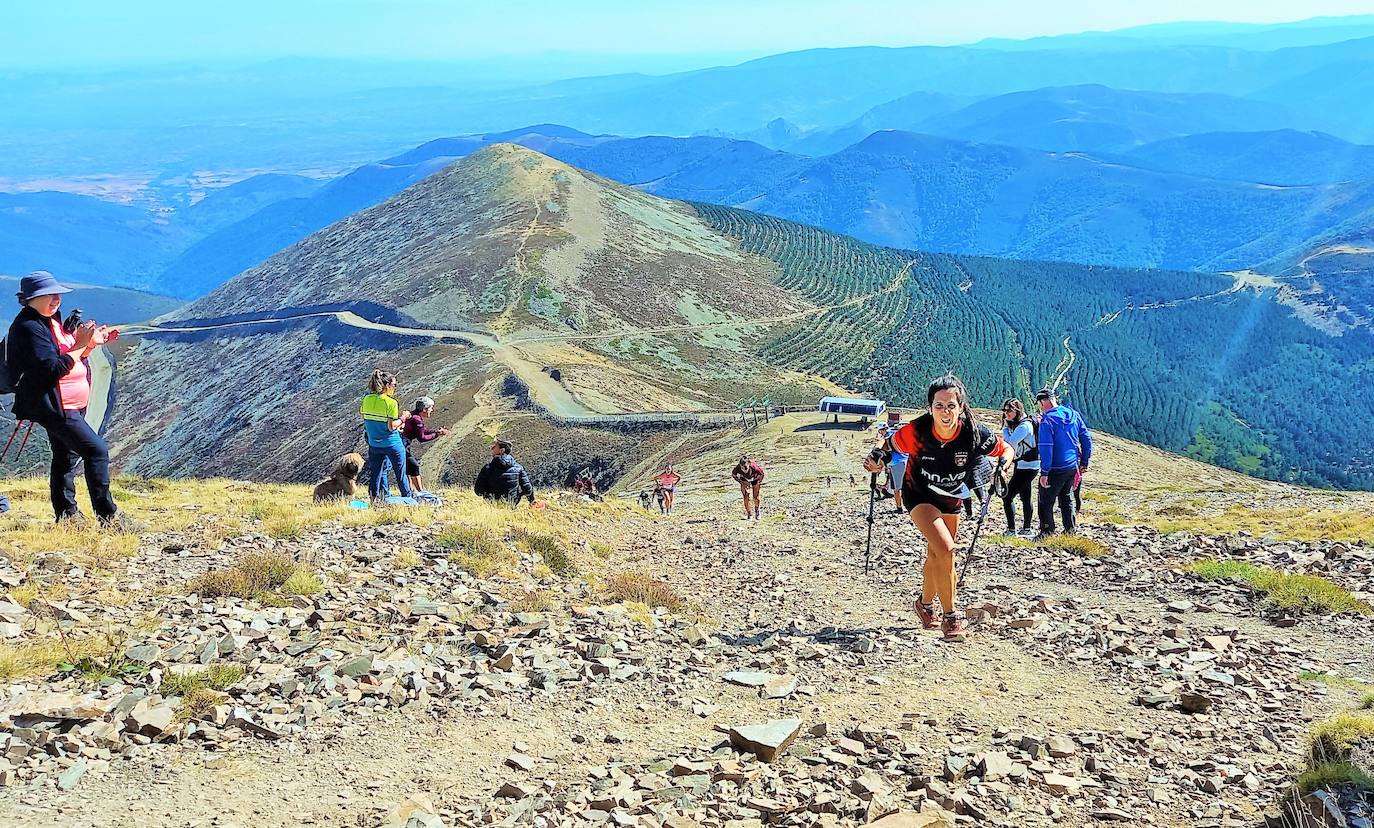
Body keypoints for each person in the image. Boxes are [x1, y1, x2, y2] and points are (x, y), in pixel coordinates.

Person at [863, 375, 1009, 642]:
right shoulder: (917, 431)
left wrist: (1005, 464)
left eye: (951, 405)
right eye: (939, 406)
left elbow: (1005, 449)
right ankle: (951, 616)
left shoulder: (974, 433)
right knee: (946, 548)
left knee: (937, 554)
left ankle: (925, 604)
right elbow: (887, 448)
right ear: (930, 407)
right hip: (919, 494)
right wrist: (876, 460)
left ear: (961, 407)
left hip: (952, 497)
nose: (945, 411)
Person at [5, 272, 138, 528]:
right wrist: (81, 343)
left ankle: (67, 515)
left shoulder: (49, 320)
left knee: (65, 456)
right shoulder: (29, 328)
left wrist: (91, 344)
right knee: (95, 450)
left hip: (68, 403)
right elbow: (51, 369)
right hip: (54, 406)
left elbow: (72, 357)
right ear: (31, 298)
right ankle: (109, 517)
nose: (56, 299)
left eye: (57, 295)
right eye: (49, 295)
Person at [1035, 388, 1093, 536]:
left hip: (1055, 467)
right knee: (1066, 498)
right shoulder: (1073, 414)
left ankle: (1047, 531)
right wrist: (1084, 462)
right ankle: (1070, 530)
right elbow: (1086, 438)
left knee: (1045, 500)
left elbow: (1046, 447)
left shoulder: (1047, 421)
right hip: (1071, 466)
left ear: (1042, 402)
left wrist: (1045, 472)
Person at [360, 369, 413, 503]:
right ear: (387, 386)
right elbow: (391, 426)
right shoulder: (391, 403)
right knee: (400, 473)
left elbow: (370, 419)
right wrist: (403, 418)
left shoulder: (367, 399)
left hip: (374, 443)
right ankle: (408, 500)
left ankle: (377, 500)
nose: (395, 388)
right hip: (391, 443)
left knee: (377, 473)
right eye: (394, 385)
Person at [1000, 398, 1039, 535]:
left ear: (1017, 411)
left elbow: (1009, 443)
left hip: (1026, 467)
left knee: (1007, 496)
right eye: (1004, 411)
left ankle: (1011, 530)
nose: (1006, 414)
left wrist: (1005, 427)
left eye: (1009, 411)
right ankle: (1026, 529)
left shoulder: (1023, 426)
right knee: (1025, 496)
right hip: (1027, 465)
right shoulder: (1024, 424)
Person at [400, 396, 448, 493]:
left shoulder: (414, 415)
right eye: (430, 407)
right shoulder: (417, 419)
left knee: (408, 468)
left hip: (402, 444)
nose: (432, 410)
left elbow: (421, 430)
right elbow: (421, 438)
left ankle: (410, 491)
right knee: (413, 466)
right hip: (403, 445)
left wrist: (435, 431)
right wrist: (437, 434)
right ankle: (420, 491)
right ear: (424, 409)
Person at [474, 439, 536, 507]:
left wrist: (487, 495)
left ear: (502, 450)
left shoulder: (487, 468)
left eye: (495, 446)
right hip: (511, 505)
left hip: (492, 506)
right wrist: (531, 500)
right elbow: (527, 488)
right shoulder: (518, 468)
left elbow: (478, 491)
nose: (492, 448)